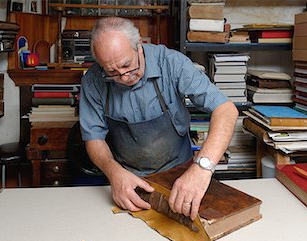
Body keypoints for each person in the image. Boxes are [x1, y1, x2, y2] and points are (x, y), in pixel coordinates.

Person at [79, 17, 238, 221]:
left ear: (139, 46)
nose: (125, 77)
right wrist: (113, 172)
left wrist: (201, 168)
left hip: (181, 174)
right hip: (128, 180)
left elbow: (226, 109)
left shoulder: (171, 63)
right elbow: (94, 138)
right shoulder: (93, 81)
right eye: (112, 72)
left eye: (128, 65)